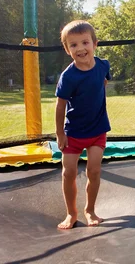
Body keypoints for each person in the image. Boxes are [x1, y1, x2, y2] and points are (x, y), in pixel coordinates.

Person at [55, 20, 111, 229]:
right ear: (67, 49)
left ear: (94, 44)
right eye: (74, 45)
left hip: (97, 130)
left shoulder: (103, 65)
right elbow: (60, 107)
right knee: (68, 172)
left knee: (94, 171)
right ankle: (71, 213)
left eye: (85, 42)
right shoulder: (68, 77)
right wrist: (60, 134)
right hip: (74, 133)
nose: (80, 48)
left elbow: (103, 80)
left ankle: (90, 210)